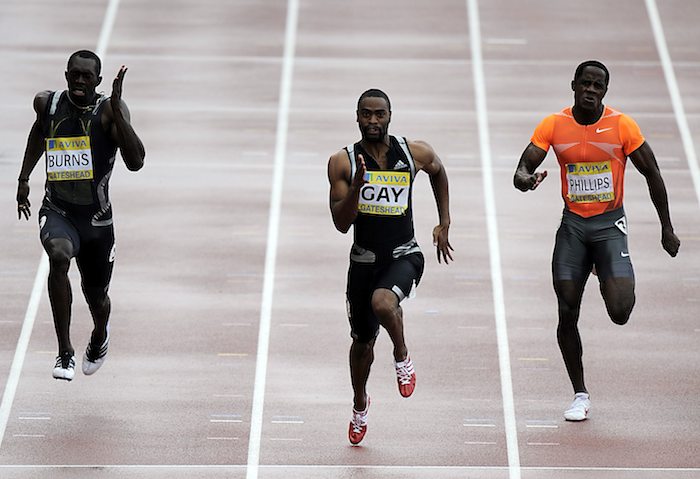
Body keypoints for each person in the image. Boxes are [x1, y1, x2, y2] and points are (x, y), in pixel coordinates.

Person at [513, 60, 680, 421]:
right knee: (567, 307)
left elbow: (652, 173)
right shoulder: (554, 124)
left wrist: (666, 227)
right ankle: (580, 393)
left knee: (620, 312)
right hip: (573, 225)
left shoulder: (622, 126)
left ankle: (604, 270)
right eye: (585, 83)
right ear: (573, 85)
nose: (590, 90)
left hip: (609, 225)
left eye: (598, 86)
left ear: (605, 91)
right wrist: (525, 179)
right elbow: (523, 167)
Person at [327, 89, 453, 445]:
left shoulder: (414, 153)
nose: (372, 121)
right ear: (356, 117)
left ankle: (401, 354)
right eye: (366, 115)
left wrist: (444, 221)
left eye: (379, 114)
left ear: (389, 116)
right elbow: (341, 223)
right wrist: (357, 187)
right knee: (362, 344)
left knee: (383, 303)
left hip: (404, 254)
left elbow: (439, 172)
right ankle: (360, 404)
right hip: (363, 262)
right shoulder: (343, 162)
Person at [16, 50, 145, 381]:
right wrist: (23, 179)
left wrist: (118, 111)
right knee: (58, 258)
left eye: (87, 76)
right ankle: (64, 352)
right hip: (58, 210)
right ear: (66, 75)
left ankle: (100, 334)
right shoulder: (48, 104)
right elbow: (38, 134)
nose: (80, 81)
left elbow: (136, 161)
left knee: (97, 298)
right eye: (75, 74)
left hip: (97, 223)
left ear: (98, 82)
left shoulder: (108, 113)